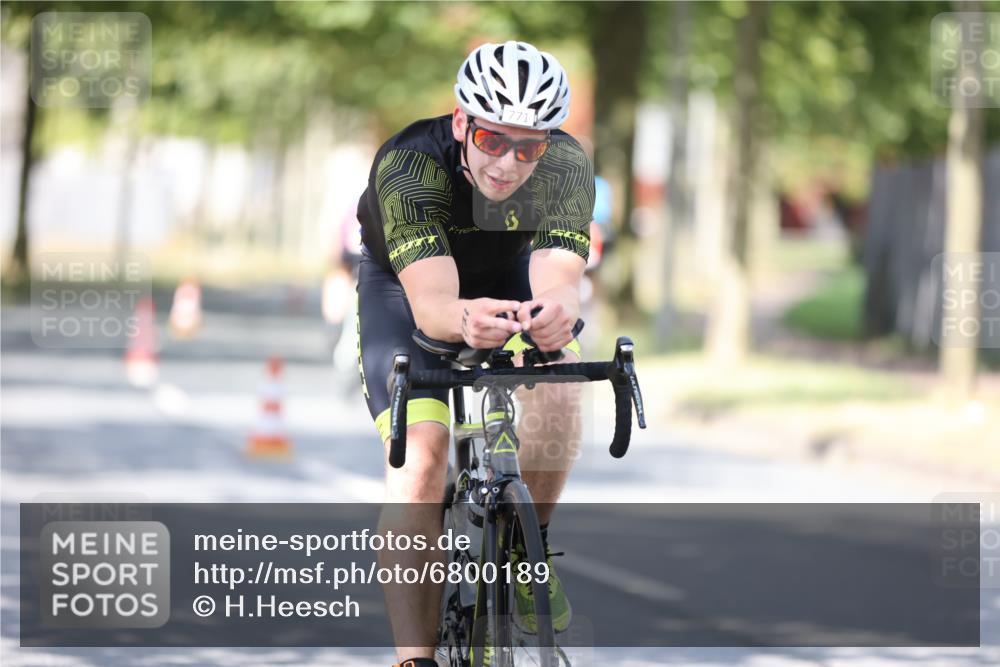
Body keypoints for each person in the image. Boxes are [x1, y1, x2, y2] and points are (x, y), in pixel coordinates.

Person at [354, 40, 593, 667]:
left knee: (564, 369)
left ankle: (526, 550)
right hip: (410, 292)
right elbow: (435, 306)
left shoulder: (566, 165)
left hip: (508, 274)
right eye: (493, 141)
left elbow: (557, 274)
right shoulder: (410, 166)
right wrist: (464, 319)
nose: (510, 164)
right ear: (462, 123)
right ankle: (414, 659)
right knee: (421, 466)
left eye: (528, 147)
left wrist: (559, 308)